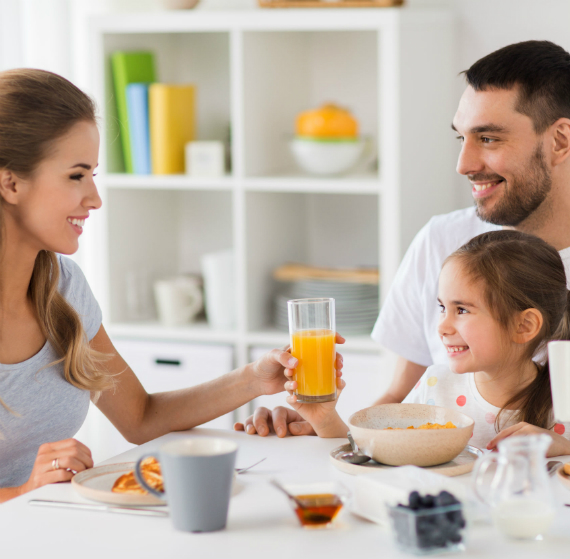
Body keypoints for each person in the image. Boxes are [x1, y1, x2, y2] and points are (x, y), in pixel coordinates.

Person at [0, 68, 345, 502]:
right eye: (76, 175)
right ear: (10, 182)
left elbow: (140, 418)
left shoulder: (61, 289)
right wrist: (22, 490)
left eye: (94, 175)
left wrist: (254, 380)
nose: (95, 198)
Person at [236, 39, 570, 437]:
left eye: (489, 139)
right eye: (461, 138)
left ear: (560, 141)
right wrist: (321, 427)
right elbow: (399, 402)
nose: (463, 164)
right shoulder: (443, 241)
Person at [274, 231, 570, 455]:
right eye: (442, 308)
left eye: (462, 310)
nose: (442, 326)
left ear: (524, 325)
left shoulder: (562, 401)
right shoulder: (435, 385)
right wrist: (324, 419)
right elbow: (368, 453)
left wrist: (564, 447)